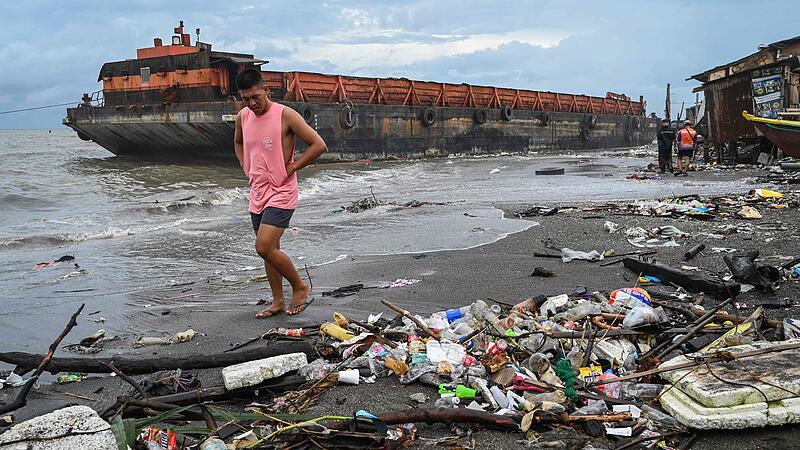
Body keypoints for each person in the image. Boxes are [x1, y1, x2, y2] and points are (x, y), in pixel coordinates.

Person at [233, 69, 327, 317]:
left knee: (263, 246)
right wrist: (246, 166)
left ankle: (300, 286)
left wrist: (293, 167)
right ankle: (277, 301)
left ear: (266, 90)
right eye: (246, 99)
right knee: (270, 249)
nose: (252, 104)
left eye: (256, 97)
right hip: (257, 191)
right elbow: (239, 142)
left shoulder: (285, 115)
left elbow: (318, 145)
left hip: (282, 190)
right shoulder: (243, 116)